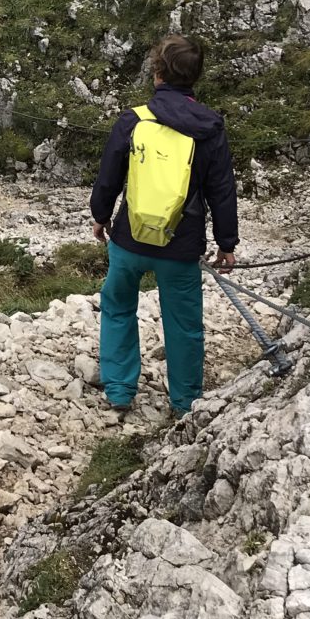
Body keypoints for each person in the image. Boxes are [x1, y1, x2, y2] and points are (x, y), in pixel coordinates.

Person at [89, 34, 238, 417]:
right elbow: (221, 189)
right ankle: (185, 402)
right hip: (182, 244)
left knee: (119, 306)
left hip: (129, 238)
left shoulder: (133, 120)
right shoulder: (210, 128)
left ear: (157, 73)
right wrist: (226, 242)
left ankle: (120, 391)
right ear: (195, 77)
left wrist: (100, 216)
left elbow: (109, 177)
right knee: (184, 324)